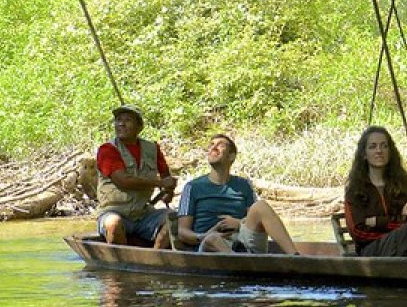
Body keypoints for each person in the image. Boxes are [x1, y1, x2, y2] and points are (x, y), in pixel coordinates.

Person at [174, 134, 299, 255]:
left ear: (231, 156)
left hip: (242, 241)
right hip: (210, 244)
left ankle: (295, 257)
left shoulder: (243, 185)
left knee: (261, 206)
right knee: (213, 239)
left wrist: (239, 223)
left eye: (220, 145)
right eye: (211, 145)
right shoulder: (192, 187)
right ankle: (239, 259)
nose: (214, 147)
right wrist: (203, 235)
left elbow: (255, 218)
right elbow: (182, 232)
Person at [344, 126, 407, 257]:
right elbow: (358, 231)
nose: (379, 151)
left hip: (403, 242)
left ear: (390, 151)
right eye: (373, 146)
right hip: (371, 250)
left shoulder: (402, 183)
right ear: (364, 154)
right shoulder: (356, 189)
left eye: (384, 146)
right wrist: (400, 221)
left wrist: (378, 222)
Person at [95, 104, 178, 247]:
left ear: (139, 127)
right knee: (114, 224)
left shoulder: (152, 148)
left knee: (176, 219)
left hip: (143, 214)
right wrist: (160, 184)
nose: (121, 123)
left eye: (127, 120)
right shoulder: (107, 150)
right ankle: (121, 262)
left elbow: (166, 177)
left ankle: (156, 256)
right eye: (118, 120)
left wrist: (169, 190)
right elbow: (123, 181)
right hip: (114, 212)